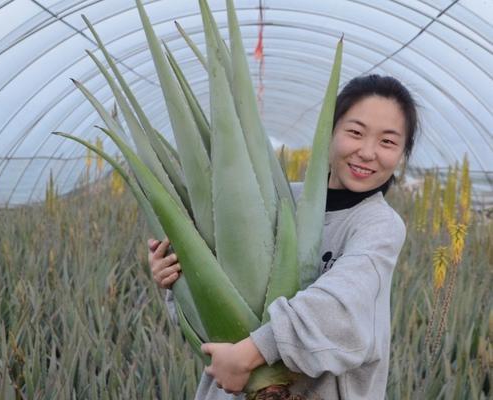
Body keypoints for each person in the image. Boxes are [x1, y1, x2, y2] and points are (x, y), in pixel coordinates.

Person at [148, 74, 419, 400]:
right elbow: (213, 306)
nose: (367, 152)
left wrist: (250, 353)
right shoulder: (278, 202)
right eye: (355, 133)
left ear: (403, 154)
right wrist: (176, 279)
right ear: (329, 132)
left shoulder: (379, 225)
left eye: (388, 142)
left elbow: (341, 307)